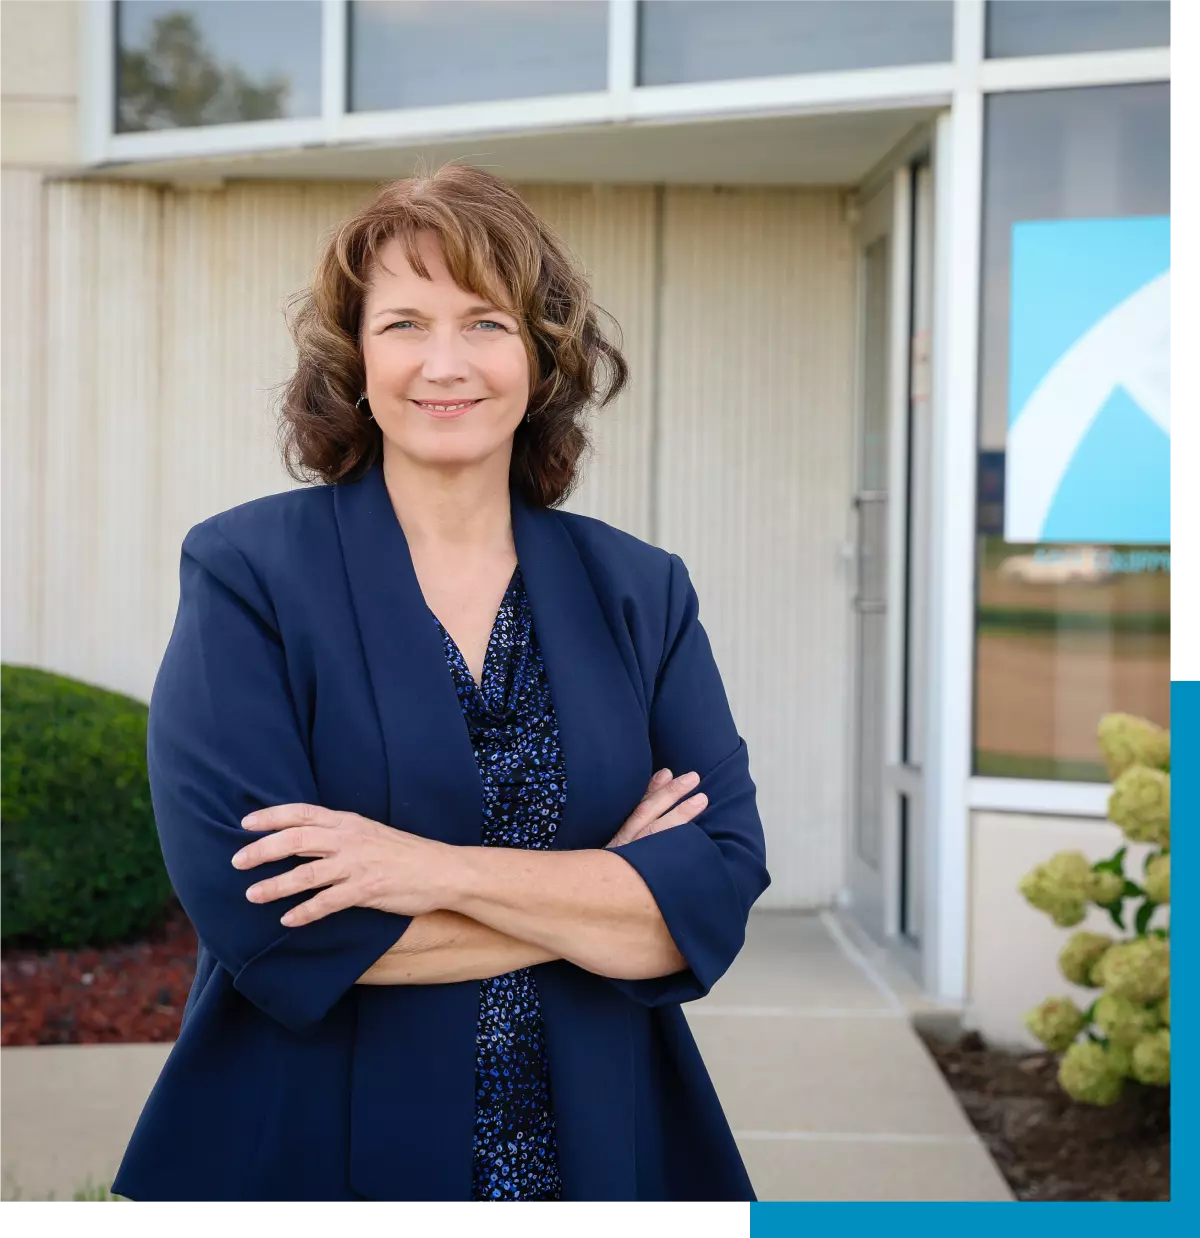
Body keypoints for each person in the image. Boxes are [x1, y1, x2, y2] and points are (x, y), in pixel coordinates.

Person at [112, 164, 770, 1206]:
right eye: (406, 323)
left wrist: (425, 868)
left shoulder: (641, 589)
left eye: (486, 323)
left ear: (541, 354)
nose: (445, 363)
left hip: (605, 1155)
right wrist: (606, 889)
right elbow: (275, 924)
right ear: (356, 357)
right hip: (312, 1152)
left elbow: (714, 897)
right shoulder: (250, 573)